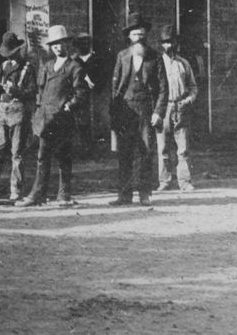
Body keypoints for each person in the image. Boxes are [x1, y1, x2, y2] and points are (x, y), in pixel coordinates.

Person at [18, 24, 88, 207]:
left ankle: (64, 195)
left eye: (61, 43)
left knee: (64, 157)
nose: (58, 47)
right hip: (46, 119)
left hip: (63, 119)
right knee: (42, 156)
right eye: (54, 44)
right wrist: (39, 111)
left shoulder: (74, 67)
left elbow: (81, 93)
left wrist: (70, 105)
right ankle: (37, 195)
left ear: (67, 44)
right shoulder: (47, 66)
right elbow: (40, 91)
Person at [109, 13, 160, 205]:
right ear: (129, 36)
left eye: (141, 33)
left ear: (146, 34)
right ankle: (124, 195)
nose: (138, 36)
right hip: (125, 109)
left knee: (145, 152)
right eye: (134, 33)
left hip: (146, 109)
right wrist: (113, 114)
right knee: (124, 153)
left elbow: (163, 88)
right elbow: (115, 88)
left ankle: (145, 194)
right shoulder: (122, 56)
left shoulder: (154, 57)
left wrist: (158, 112)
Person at [0, 31, 36, 204]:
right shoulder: (3, 67)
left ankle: (16, 190)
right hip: (3, 110)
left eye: (13, 53)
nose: (11, 57)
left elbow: (32, 92)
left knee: (17, 153)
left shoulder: (27, 68)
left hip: (18, 110)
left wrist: (15, 90)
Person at [153, 25, 198, 192]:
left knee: (183, 148)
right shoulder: (157, 63)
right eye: (165, 43)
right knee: (162, 148)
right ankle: (164, 181)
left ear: (176, 43)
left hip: (180, 108)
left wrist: (188, 100)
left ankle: (185, 182)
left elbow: (193, 87)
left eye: (171, 42)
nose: (168, 46)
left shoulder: (184, 64)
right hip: (163, 108)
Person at [74, 30, 112, 158]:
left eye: (86, 42)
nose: (83, 45)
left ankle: (97, 151)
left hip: (95, 95)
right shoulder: (74, 61)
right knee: (81, 122)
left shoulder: (96, 59)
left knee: (97, 121)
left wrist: (95, 84)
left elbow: (103, 76)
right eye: (80, 43)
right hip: (79, 96)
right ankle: (83, 150)